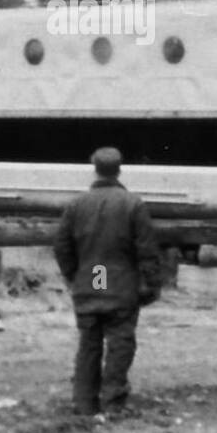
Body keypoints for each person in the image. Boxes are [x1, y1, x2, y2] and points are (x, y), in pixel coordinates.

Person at [53, 147, 162, 417]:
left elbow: (61, 245)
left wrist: (73, 275)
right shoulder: (133, 204)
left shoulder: (76, 205)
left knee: (89, 345)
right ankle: (113, 402)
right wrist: (151, 284)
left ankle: (84, 402)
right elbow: (147, 250)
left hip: (90, 284)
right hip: (121, 287)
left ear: (95, 168)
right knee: (120, 344)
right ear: (119, 169)